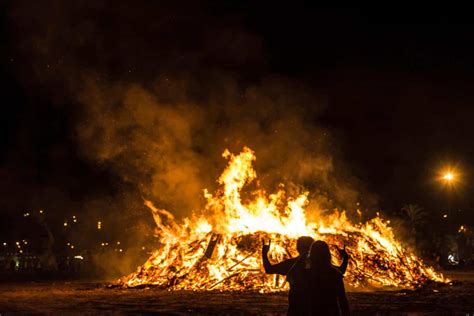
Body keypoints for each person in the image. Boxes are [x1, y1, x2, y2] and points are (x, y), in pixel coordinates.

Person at [262, 237, 349, 315]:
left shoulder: (300, 269)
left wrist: (264, 254)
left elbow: (269, 269)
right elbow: (341, 273)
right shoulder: (331, 271)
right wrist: (345, 258)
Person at [305, 240, 350, 316]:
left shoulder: (306, 274)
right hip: (331, 311)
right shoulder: (334, 273)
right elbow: (342, 299)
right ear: (327, 254)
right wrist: (345, 258)